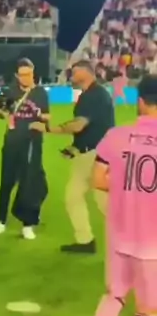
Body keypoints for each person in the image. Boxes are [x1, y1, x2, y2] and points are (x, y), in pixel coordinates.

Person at [83, 74, 157, 316]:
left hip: (120, 232)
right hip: (153, 241)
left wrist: (127, 187)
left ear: (140, 101)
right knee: (149, 308)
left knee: (114, 292)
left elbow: (98, 179)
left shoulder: (116, 135)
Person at [47, 60, 114, 253]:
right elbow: (92, 128)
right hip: (91, 154)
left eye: (75, 71)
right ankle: (85, 241)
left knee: (104, 203)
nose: (72, 75)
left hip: (97, 156)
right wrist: (74, 147)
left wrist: (48, 128)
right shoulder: (92, 94)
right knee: (75, 196)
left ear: (86, 72)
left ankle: (136, 239)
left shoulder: (94, 95)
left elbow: (79, 125)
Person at [0, 59, 49, 240]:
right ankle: (0, 221)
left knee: (29, 184)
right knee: (6, 183)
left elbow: (47, 117)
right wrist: (3, 111)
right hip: (12, 142)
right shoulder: (9, 91)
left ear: (33, 73)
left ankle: (27, 225)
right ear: (17, 75)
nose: (26, 78)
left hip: (32, 143)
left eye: (29, 74)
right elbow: (0, 113)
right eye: (22, 75)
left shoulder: (40, 93)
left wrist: (38, 114)